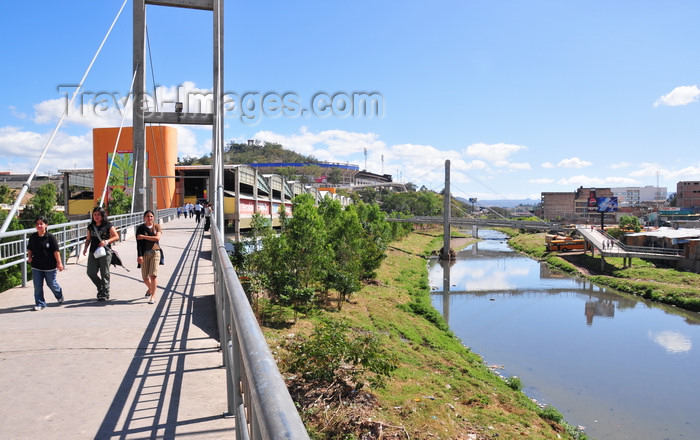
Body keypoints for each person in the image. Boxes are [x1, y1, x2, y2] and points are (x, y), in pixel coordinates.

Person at [27, 216, 65, 311]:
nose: (39, 226)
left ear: (46, 225)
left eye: (41, 224)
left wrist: (59, 263)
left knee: (51, 284)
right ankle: (40, 303)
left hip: (50, 266)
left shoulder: (50, 237)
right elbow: (30, 248)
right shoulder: (33, 237)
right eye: (37, 224)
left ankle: (59, 294)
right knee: (38, 286)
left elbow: (56, 251)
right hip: (36, 266)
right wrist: (29, 257)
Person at [83, 207, 119, 301]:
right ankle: (101, 288)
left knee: (105, 273)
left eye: (98, 214)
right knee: (90, 272)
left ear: (103, 216)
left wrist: (106, 241)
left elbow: (116, 236)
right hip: (93, 252)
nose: (96, 216)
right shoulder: (91, 226)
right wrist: (85, 248)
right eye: (95, 214)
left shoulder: (108, 225)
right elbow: (88, 239)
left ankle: (105, 293)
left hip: (105, 252)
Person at [136, 210, 162, 304]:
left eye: (151, 216)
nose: (149, 218)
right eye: (147, 216)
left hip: (155, 252)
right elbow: (138, 243)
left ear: (153, 217)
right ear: (144, 218)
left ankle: (153, 296)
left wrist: (144, 237)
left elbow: (157, 238)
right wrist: (139, 255)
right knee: (145, 277)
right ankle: (151, 289)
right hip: (145, 253)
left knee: (153, 275)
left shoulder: (157, 226)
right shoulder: (140, 228)